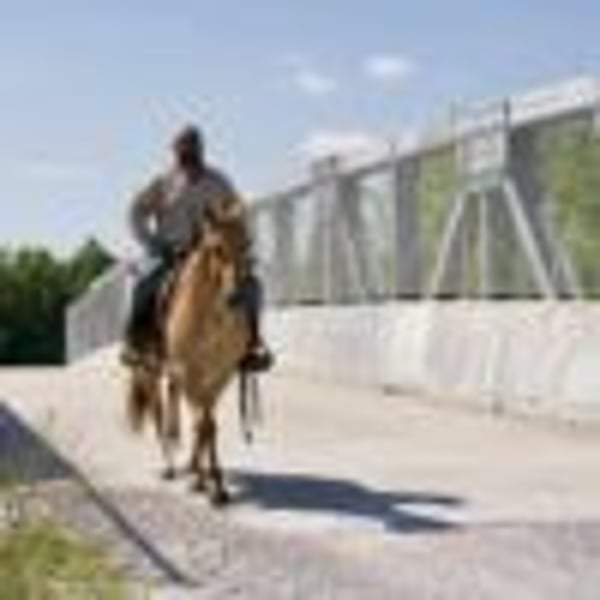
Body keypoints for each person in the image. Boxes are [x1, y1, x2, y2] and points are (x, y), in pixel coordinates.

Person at [121, 124, 271, 369]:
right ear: (175, 151)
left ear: (201, 149)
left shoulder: (218, 181)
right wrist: (153, 242)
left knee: (251, 285)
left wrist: (238, 243)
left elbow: (238, 211)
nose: (188, 152)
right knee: (143, 285)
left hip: (213, 254)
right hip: (172, 253)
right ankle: (136, 344)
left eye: (193, 147)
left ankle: (252, 344)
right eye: (183, 148)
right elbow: (135, 212)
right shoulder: (163, 182)